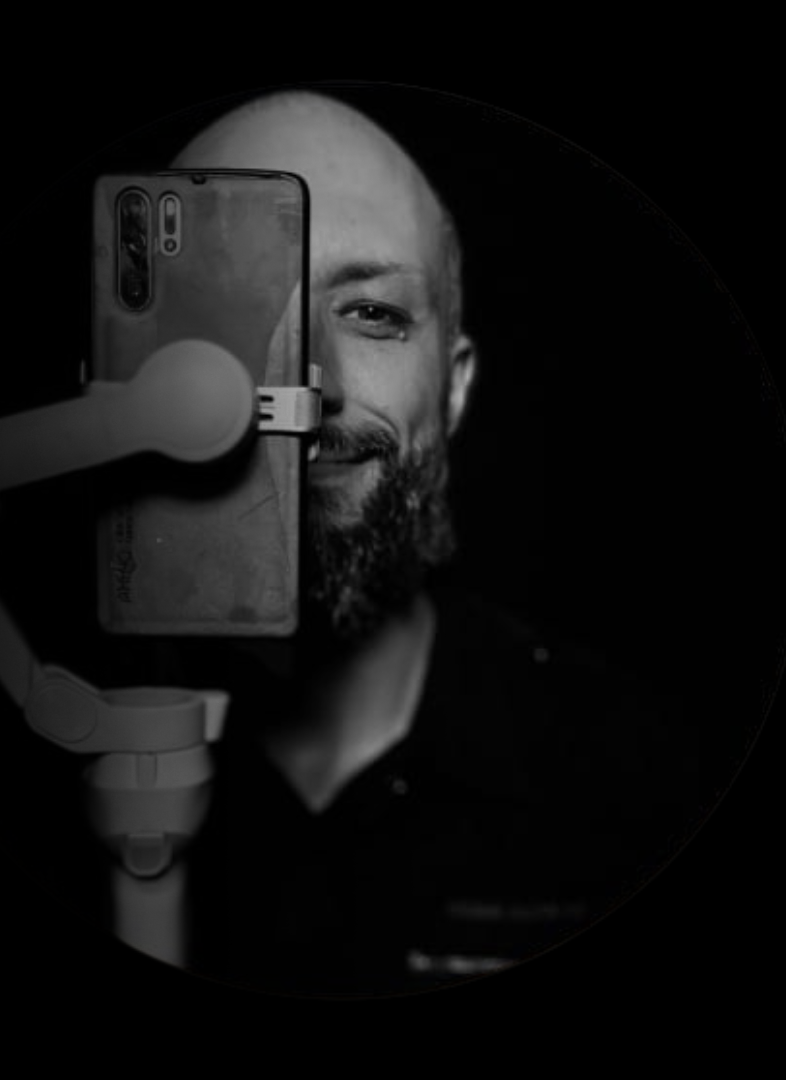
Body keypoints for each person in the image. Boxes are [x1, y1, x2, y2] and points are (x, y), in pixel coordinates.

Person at [139, 91, 700, 997]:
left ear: (454, 388)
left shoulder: (639, 785)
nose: (308, 382)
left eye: (372, 313)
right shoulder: (38, 757)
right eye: (237, 312)